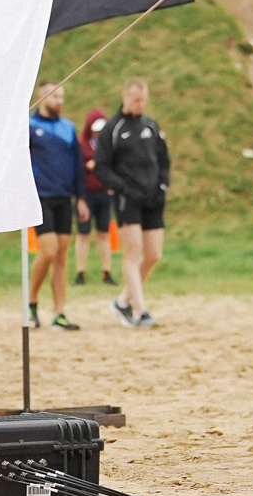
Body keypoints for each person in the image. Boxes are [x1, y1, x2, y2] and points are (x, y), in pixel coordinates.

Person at [97, 78, 168, 327]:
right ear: (125, 96)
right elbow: (101, 168)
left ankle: (123, 301)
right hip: (128, 199)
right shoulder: (112, 129)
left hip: (153, 198)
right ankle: (141, 311)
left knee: (154, 254)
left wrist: (162, 186)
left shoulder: (151, 126)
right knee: (133, 252)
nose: (140, 105)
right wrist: (123, 189)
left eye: (143, 100)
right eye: (136, 100)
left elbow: (163, 159)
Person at [25, 83, 82, 330]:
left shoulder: (68, 127)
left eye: (62, 96)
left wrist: (81, 198)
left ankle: (59, 313)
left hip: (64, 197)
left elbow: (77, 165)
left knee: (61, 256)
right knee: (48, 251)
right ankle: (32, 302)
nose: (59, 100)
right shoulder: (28, 126)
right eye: (55, 96)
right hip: (40, 198)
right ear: (42, 97)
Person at [75, 106, 115, 286]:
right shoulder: (81, 143)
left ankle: (107, 271)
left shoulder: (107, 144)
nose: (98, 132)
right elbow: (76, 169)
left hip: (103, 194)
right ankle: (80, 272)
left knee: (103, 233)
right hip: (86, 195)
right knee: (83, 234)